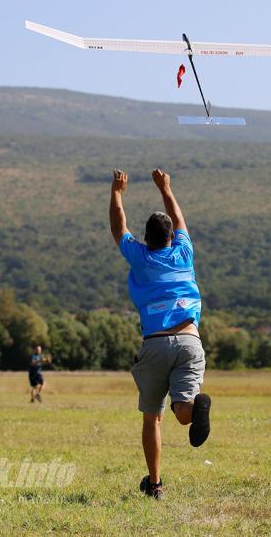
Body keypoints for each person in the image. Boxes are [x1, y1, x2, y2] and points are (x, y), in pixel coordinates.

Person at [110, 167, 211, 500]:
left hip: (155, 343)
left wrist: (117, 192)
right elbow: (179, 220)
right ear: (171, 238)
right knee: (183, 412)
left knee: (153, 417)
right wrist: (166, 188)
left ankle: (154, 485)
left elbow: (117, 228)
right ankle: (195, 407)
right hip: (190, 340)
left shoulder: (140, 256)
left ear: (147, 239)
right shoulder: (184, 252)